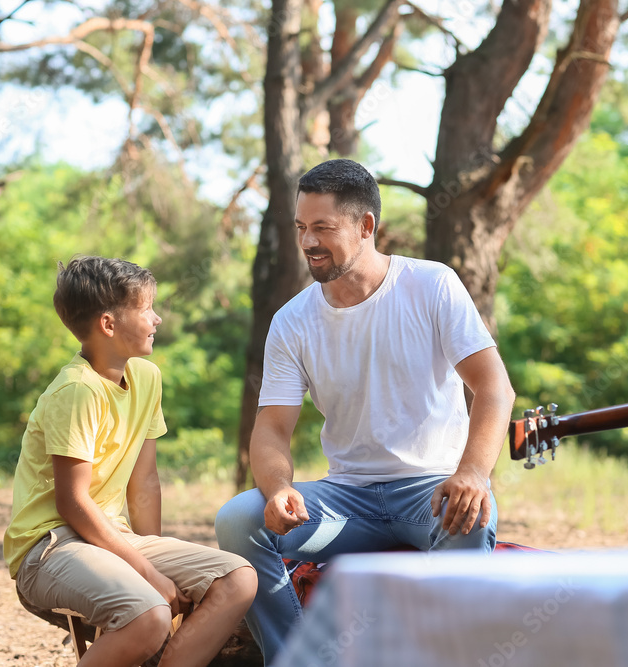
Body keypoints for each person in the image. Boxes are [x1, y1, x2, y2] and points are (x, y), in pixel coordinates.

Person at [215, 158, 516, 663]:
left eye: (323, 228)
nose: (308, 241)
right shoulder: (292, 321)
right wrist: (278, 488)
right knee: (238, 519)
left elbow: (494, 389)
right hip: (344, 505)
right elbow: (271, 429)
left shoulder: (431, 285)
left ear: (366, 226)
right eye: (301, 228)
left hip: (430, 493)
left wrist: (472, 473)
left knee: (471, 519)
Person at [4, 256, 257, 667]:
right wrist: (147, 574)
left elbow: (145, 483)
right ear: (109, 324)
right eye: (146, 309)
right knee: (147, 615)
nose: (157, 319)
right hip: (49, 547)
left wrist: (154, 557)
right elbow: (72, 502)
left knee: (237, 579)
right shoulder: (76, 391)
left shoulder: (146, 378)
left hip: (110, 536)